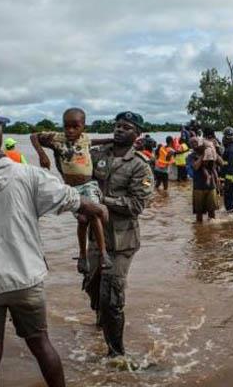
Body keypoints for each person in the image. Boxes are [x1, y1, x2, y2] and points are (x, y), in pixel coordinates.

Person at [0, 103, 107, 387]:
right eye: (0, 126)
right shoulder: (27, 175)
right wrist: (99, 209)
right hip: (25, 279)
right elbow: (71, 200)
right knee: (41, 345)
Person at [84, 111, 154, 357]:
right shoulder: (97, 156)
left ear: (138, 134)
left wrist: (102, 201)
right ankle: (101, 324)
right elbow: (71, 149)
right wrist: (98, 141)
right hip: (96, 236)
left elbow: (136, 206)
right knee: (92, 289)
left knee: (112, 297)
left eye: (126, 127)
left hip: (122, 241)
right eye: (116, 126)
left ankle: (116, 354)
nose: (119, 130)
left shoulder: (139, 166)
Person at [30, 108, 113, 274]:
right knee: (82, 219)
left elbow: (98, 141)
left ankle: (103, 253)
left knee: (94, 213)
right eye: (66, 126)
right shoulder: (57, 139)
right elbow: (33, 137)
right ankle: (83, 255)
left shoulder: (85, 139)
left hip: (88, 184)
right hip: (71, 188)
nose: (70, 130)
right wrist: (42, 155)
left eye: (75, 126)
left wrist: (112, 140)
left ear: (83, 127)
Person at [189, 137, 220, 222]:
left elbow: (220, 163)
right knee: (199, 214)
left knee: (212, 212)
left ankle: (209, 232)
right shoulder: (191, 156)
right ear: (190, 145)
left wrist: (213, 151)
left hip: (211, 187)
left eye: (195, 142)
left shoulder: (209, 151)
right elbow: (195, 167)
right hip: (198, 187)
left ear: (199, 142)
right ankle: (200, 232)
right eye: (192, 143)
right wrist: (203, 154)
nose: (194, 144)